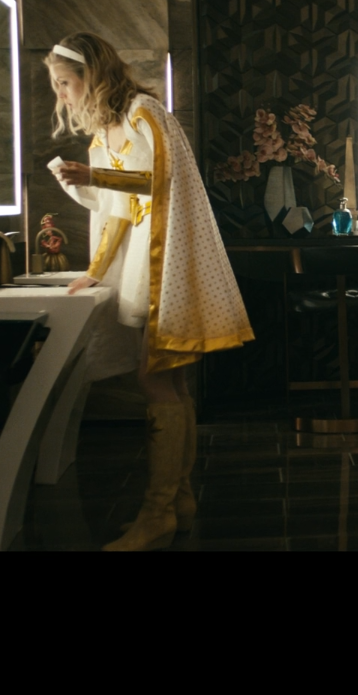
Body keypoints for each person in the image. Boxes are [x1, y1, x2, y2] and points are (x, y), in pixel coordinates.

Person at [48, 32, 254, 551]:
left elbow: (161, 181)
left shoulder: (144, 112)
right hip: (143, 258)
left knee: (154, 378)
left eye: (65, 83)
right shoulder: (105, 132)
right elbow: (115, 210)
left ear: (91, 74)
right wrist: (96, 268)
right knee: (171, 383)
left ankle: (157, 512)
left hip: (167, 256)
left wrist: (95, 175)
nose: (61, 95)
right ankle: (178, 501)